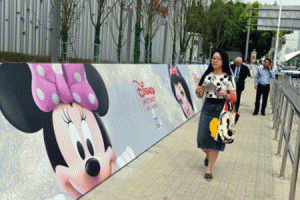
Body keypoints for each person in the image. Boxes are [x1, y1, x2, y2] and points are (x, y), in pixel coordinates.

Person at [195, 49, 236, 180]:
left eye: (218, 58)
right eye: (213, 58)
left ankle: (209, 170)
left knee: (215, 141)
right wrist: (199, 91)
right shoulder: (207, 76)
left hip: (220, 108)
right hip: (207, 107)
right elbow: (201, 94)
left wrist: (226, 95)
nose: (215, 60)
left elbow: (234, 97)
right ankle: (208, 156)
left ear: (223, 61)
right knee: (201, 139)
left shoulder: (228, 77)